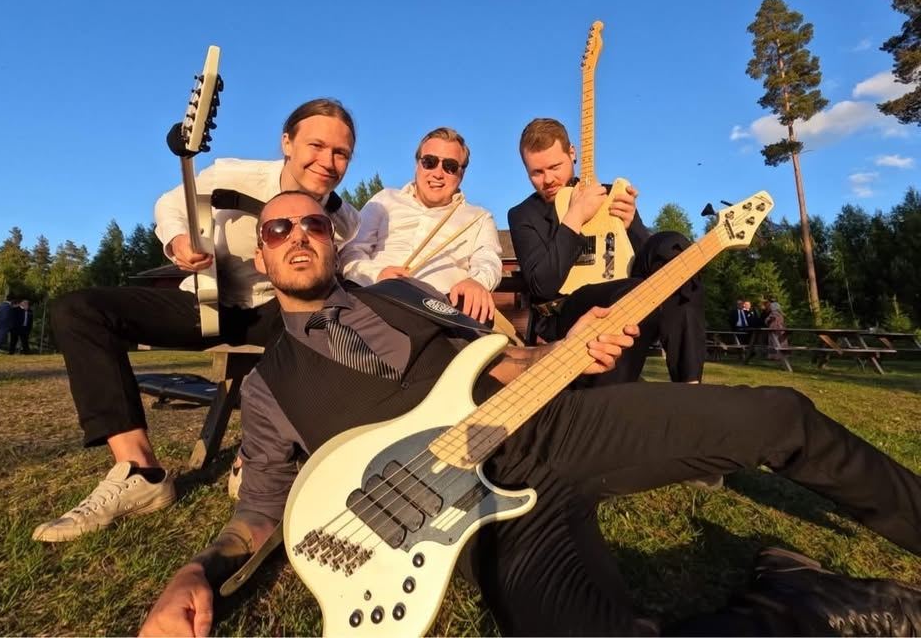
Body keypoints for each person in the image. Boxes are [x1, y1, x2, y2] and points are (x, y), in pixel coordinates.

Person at [141, 191, 921, 637]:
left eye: (314, 223)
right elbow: (260, 510)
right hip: (476, 517)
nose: (299, 235)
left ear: (333, 242)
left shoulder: (402, 296)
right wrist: (195, 571)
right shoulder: (269, 386)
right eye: (279, 229)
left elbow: (504, 361)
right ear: (261, 254)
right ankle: (796, 603)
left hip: (550, 426)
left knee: (779, 414)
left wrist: (568, 350)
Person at [32, 98, 361, 543]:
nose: (327, 161)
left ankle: (259, 458)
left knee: (318, 320)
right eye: (316, 146)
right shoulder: (234, 174)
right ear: (287, 142)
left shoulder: (344, 220)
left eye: (341, 153)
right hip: (206, 300)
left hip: (274, 310)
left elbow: (354, 265)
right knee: (78, 310)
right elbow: (171, 205)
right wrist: (178, 240)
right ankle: (140, 472)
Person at [507, 118, 704, 385]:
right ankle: (612, 398)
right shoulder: (523, 215)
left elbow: (644, 261)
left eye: (554, 167)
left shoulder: (611, 195)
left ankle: (689, 383)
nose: (548, 179)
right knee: (632, 291)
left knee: (674, 248)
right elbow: (542, 285)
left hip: (627, 288)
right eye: (536, 173)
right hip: (567, 311)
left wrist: (630, 226)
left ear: (572, 153)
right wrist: (575, 216)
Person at [341, 127, 502, 323]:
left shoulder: (478, 218)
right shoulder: (384, 199)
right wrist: (376, 275)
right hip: (374, 299)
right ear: (417, 164)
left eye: (450, 166)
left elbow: (488, 261)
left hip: (438, 312)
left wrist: (477, 281)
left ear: (462, 173)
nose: (438, 173)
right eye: (429, 162)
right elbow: (351, 252)